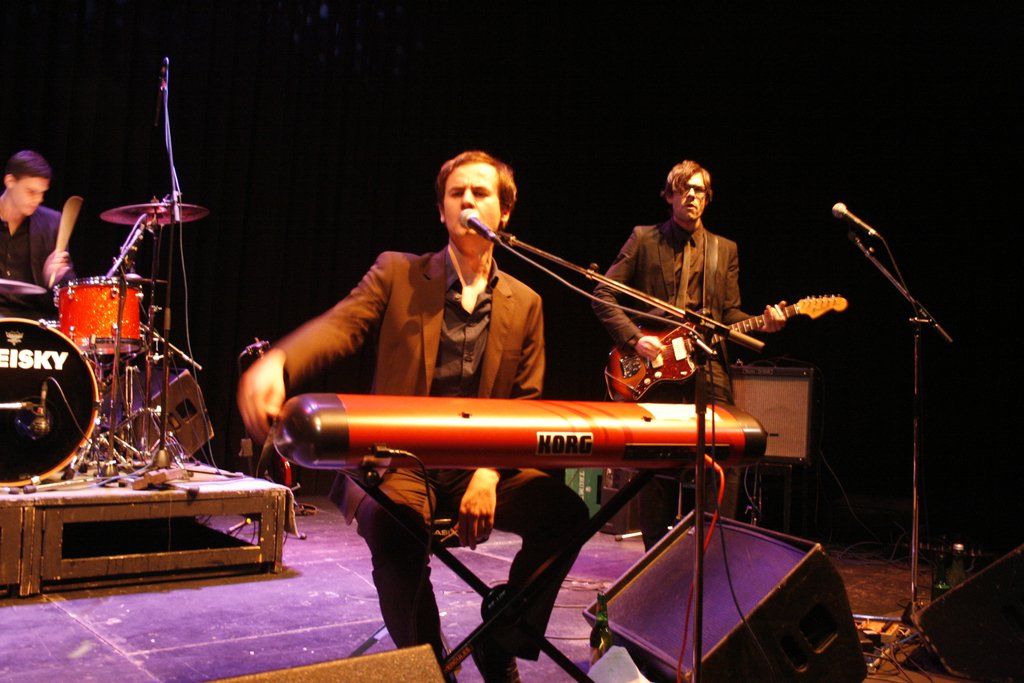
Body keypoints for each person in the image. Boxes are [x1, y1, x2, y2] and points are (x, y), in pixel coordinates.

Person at [238, 150, 588, 682]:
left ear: (504, 212)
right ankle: (431, 669)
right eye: (456, 193)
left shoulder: (527, 302)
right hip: (402, 462)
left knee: (566, 515)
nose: (467, 201)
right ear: (441, 211)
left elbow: (526, 403)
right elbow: (341, 326)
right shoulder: (397, 273)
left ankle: (501, 640)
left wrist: (489, 472)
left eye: (480, 193)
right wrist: (280, 360)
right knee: (395, 529)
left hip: (482, 465)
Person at [592, 159, 785, 549]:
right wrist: (634, 339)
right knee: (656, 460)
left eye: (699, 190)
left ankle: (712, 548)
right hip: (655, 365)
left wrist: (763, 323)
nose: (692, 195)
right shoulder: (643, 239)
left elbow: (729, 315)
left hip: (707, 362)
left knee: (724, 448)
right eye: (684, 189)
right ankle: (655, 554)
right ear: (670, 196)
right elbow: (603, 294)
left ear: (707, 198)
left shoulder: (724, 249)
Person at [0, 150, 75, 319]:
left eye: (42, 193)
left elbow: (68, 293)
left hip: (34, 319)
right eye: (31, 192)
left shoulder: (52, 223)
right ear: (10, 181)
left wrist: (51, 279)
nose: (39, 199)